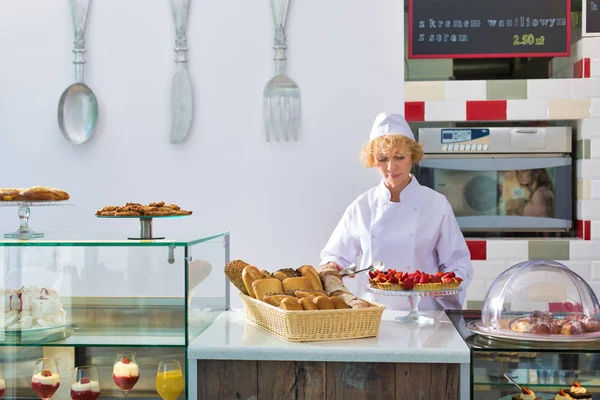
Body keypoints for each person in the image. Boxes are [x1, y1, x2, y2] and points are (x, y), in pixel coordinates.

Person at [319, 113, 472, 310]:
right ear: (373, 160)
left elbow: (457, 262)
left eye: (399, 157)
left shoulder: (436, 204)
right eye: (383, 159)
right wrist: (334, 266)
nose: (391, 167)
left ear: (412, 157)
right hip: (372, 313)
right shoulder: (362, 206)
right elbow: (336, 256)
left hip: (424, 315)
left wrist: (445, 285)